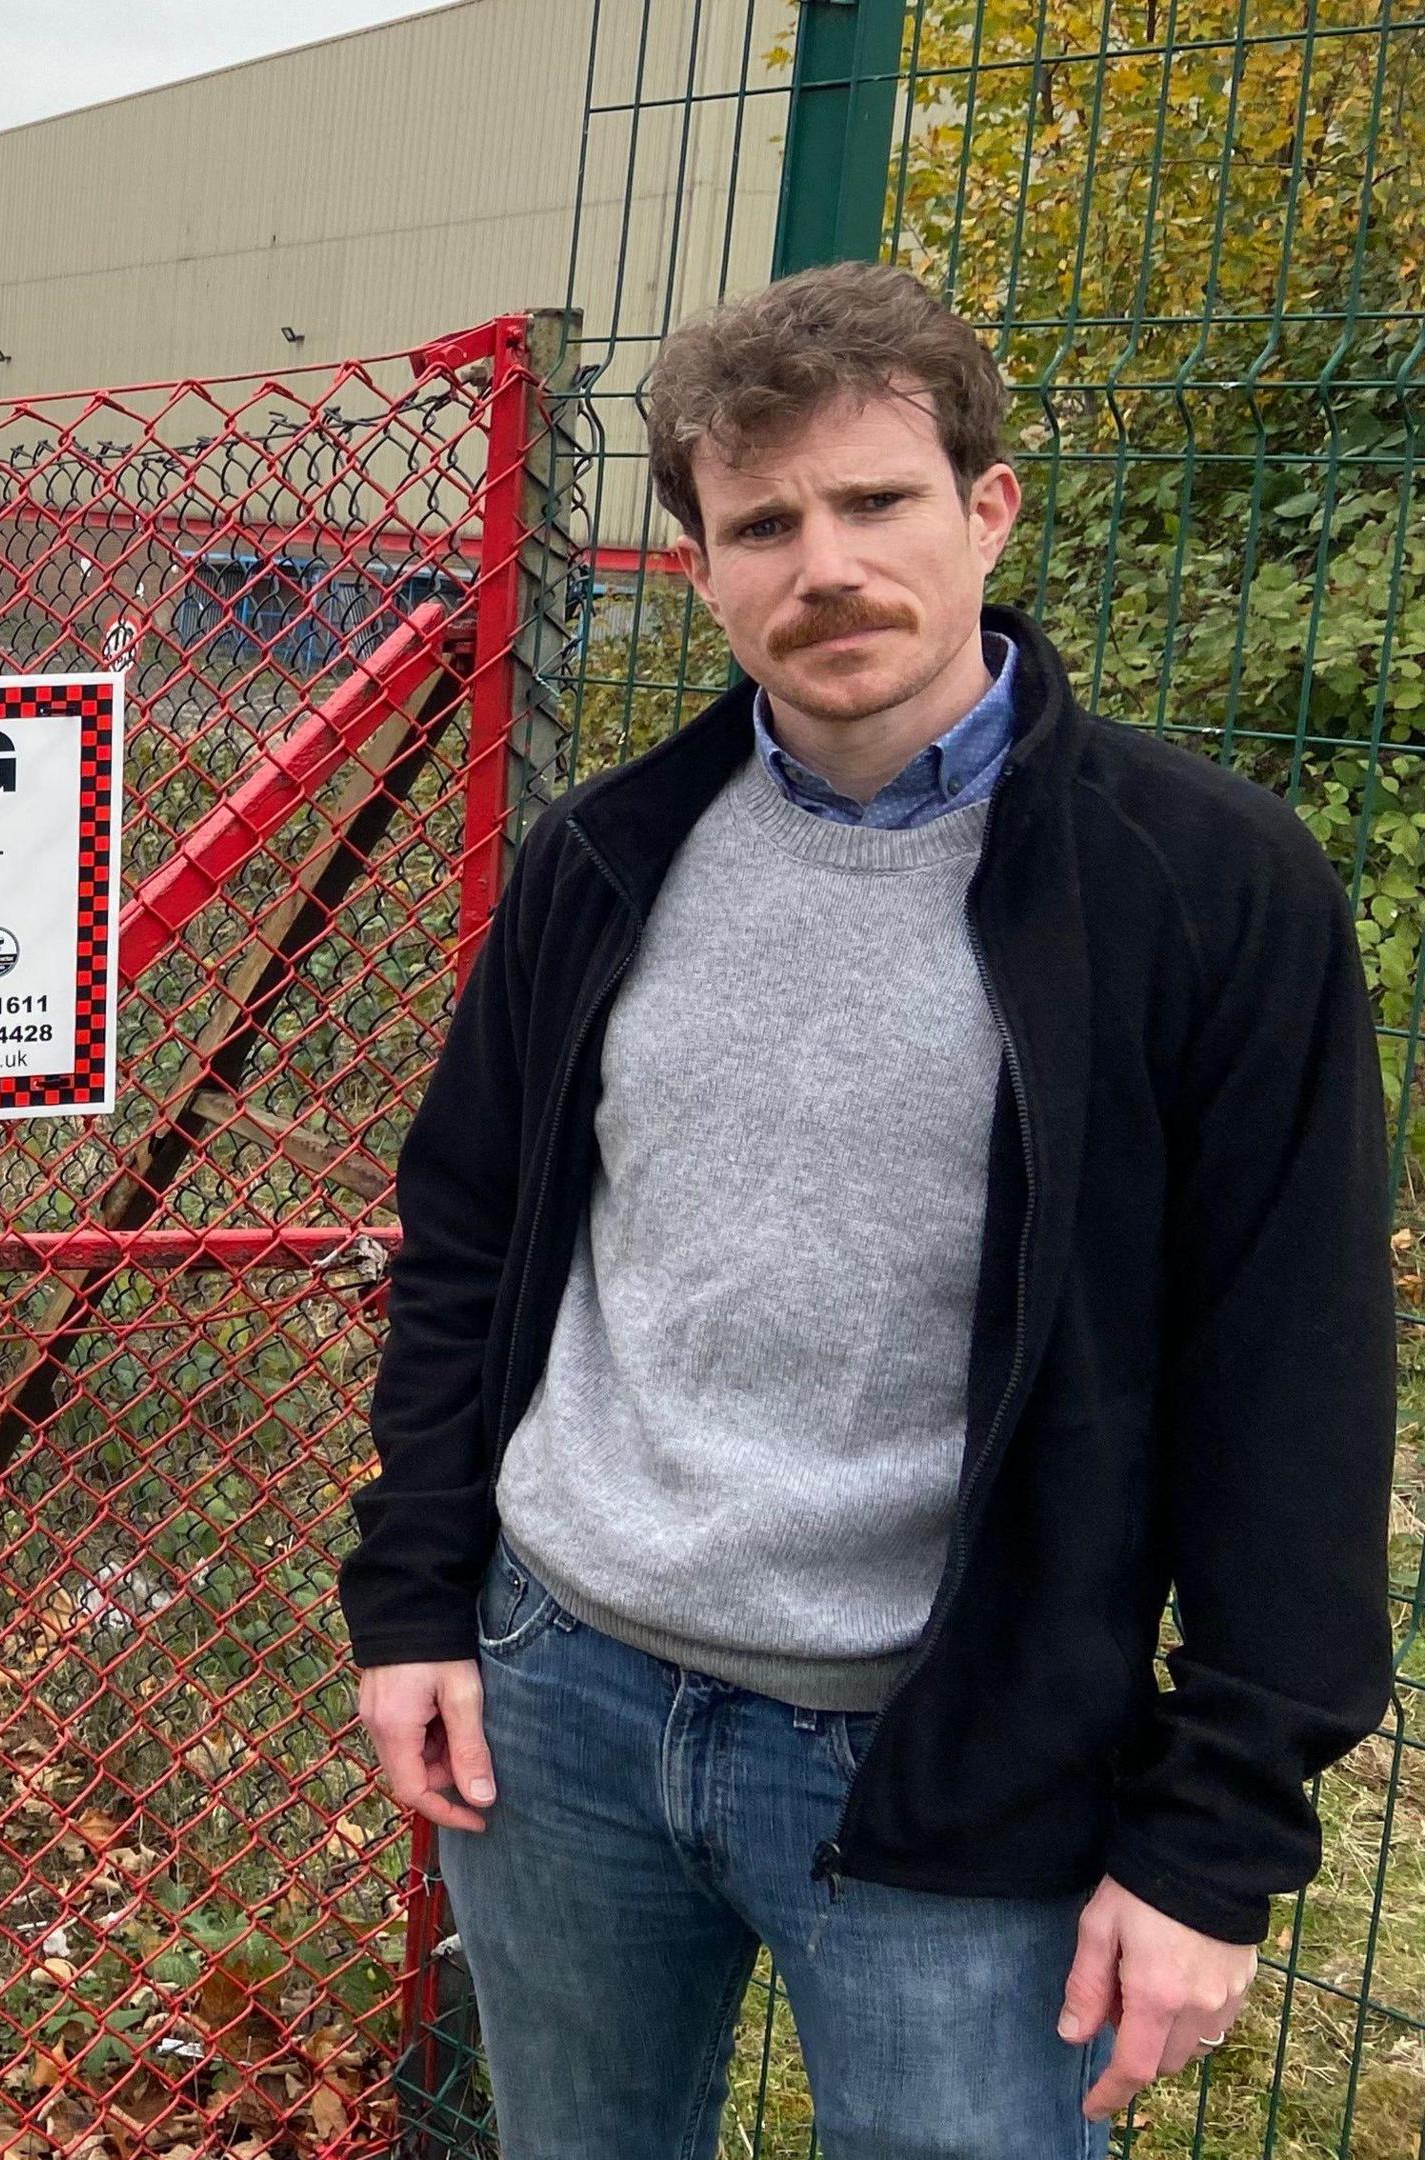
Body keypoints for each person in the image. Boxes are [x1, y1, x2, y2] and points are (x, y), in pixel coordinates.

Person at [336, 262, 1394, 2155]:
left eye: (876, 501)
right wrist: (413, 1596)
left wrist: (1218, 1837)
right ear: (708, 568)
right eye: (763, 524)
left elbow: (1293, 1380)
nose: (823, 564)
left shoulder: (1208, 895)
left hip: (962, 1749)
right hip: (558, 1694)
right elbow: (473, 1236)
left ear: (988, 511)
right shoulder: (606, 862)